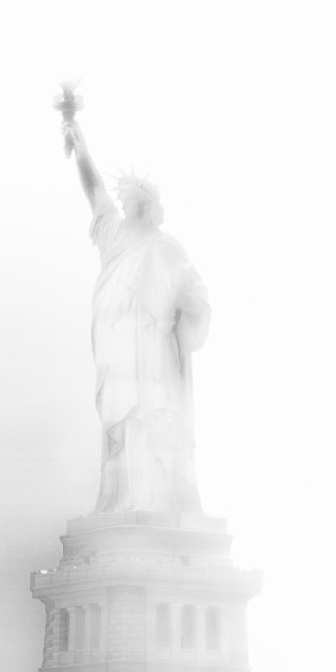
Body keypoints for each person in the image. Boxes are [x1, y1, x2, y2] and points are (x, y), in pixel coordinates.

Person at [62, 119, 210, 513]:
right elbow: (95, 192)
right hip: (121, 358)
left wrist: (186, 307)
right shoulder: (115, 239)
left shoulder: (168, 248)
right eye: (122, 200)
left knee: (154, 418)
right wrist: (80, 145)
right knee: (128, 425)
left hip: (155, 357)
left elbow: (198, 298)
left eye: (129, 200)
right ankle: (125, 500)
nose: (122, 205)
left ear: (146, 206)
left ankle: (156, 501)